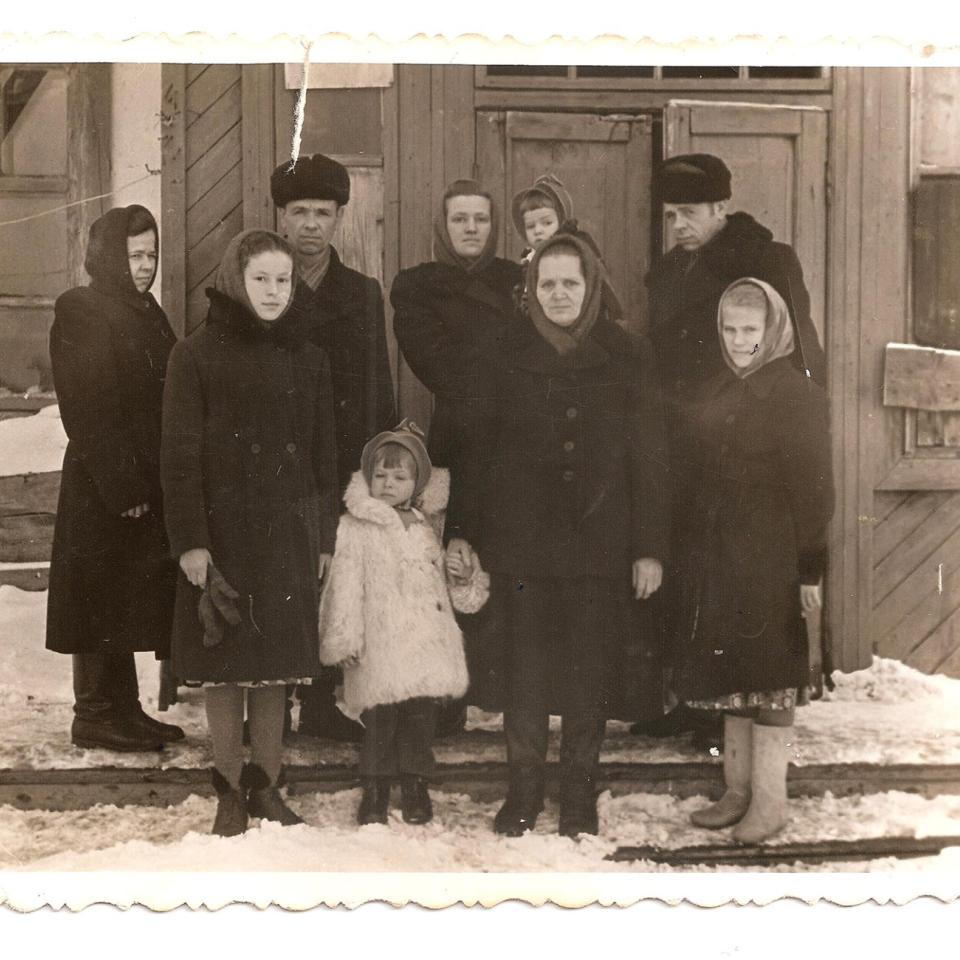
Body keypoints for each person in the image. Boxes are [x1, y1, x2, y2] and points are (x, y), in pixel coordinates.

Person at [447, 232, 670, 838]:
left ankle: (578, 793)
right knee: (525, 672)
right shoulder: (500, 351)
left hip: (602, 544)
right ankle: (523, 791)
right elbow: (476, 450)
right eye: (548, 283)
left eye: (571, 282)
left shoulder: (628, 353)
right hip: (520, 544)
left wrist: (649, 547)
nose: (560, 294)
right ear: (530, 290)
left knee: (588, 671)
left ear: (591, 285)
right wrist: (464, 532)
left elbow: (650, 457)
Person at [636, 152, 828, 743]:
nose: (679, 227)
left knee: (742, 586)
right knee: (689, 574)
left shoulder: (767, 259)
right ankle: (694, 702)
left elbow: (801, 351)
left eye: (689, 214)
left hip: (748, 449)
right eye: (670, 216)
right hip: (682, 445)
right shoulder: (668, 272)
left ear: (722, 208)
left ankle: (735, 712)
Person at [161, 229, 339, 837]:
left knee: (275, 665)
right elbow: (178, 457)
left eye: (283, 280)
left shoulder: (309, 356)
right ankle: (229, 788)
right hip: (224, 535)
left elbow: (322, 456)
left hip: (287, 534)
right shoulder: (196, 354)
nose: (272, 291)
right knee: (227, 661)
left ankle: (266, 783)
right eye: (260, 279)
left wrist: (321, 539)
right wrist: (190, 541)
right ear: (238, 280)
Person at [676, 278, 834, 843]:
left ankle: (770, 800)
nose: (740, 340)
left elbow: (816, 492)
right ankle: (736, 791)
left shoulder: (797, 395)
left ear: (773, 332)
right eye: (730, 328)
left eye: (751, 329)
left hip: (772, 559)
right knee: (731, 675)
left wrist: (810, 568)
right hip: (721, 559)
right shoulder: (717, 388)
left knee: (771, 679)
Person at [47, 204, 183, 752]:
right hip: (103, 485)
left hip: (134, 484)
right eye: (134, 255)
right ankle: (95, 714)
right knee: (97, 597)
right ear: (109, 257)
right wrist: (122, 485)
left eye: (151, 254)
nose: (145, 265)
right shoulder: (82, 309)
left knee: (121, 597)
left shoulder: (144, 309)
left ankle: (124, 710)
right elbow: (88, 406)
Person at [270, 153, 396, 741]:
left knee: (335, 584)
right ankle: (270, 706)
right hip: (279, 463)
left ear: (340, 218)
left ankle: (323, 703)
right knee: (281, 579)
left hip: (341, 464)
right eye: (300, 212)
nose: (311, 225)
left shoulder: (362, 293)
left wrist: (379, 465)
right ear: (281, 217)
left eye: (324, 212)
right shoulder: (264, 285)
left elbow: (378, 385)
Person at [391, 178, 521, 738]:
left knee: (507, 559)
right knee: (450, 561)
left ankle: (503, 689)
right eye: (460, 219)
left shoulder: (518, 280)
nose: (471, 228)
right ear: (443, 227)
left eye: (481, 219)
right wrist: (505, 366)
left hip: (517, 444)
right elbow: (435, 360)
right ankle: (449, 697)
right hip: (460, 441)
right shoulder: (419, 288)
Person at [318, 421, 488, 826]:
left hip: (424, 645)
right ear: (368, 479)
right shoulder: (356, 526)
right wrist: (346, 639)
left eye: (399, 476)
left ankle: (415, 784)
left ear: (417, 484)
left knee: (418, 719)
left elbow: (449, 590)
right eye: (380, 475)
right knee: (379, 720)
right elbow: (344, 587)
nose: (388, 483)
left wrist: (461, 576)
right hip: (381, 644)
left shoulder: (428, 528)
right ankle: (374, 788)